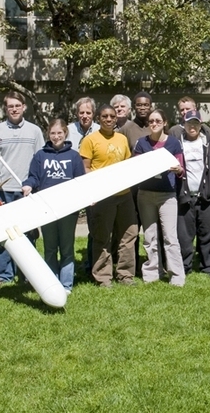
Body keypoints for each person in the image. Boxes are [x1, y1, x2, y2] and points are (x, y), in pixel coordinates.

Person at [22, 119, 86, 293]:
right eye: (53, 133)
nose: (56, 136)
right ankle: (52, 282)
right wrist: (28, 184)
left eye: (59, 133)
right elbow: (34, 177)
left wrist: (86, 198)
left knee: (66, 247)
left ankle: (66, 285)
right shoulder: (40, 156)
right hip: (46, 208)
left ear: (65, 133)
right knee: (50, 247)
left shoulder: (73, 156)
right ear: (48, 135)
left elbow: (81, 181)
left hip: (68, 208)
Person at [80, 104, 137, 287]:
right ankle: (103, 277)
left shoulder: (121, 139)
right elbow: (86, 168)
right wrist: (95, 189)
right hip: (103, 196)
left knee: (129, 235)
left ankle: (125, 275)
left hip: (124, 194)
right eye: (105, 116)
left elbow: (128, 164)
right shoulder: (90, 140)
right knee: (102, 237)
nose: (109, 119)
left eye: (112, 116)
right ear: (99, 118)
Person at [0, 91, 45, 285]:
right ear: (5, 109)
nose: (14, 109)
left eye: (17, 106)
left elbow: (40, 159)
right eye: (10, 106)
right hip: (3, 188)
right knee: (5, 234)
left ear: (24, 107)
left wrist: (34, 184)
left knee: (28, 233)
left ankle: (26, 275)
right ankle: (4, 275)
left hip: (26, 189)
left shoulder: (34, 131)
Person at [133, 109, 186, 286]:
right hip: (145, 194)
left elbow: (181, 168)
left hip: (167, 195)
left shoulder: (173, 143)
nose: (153, 124)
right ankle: (151, 274)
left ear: (164, 123)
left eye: (157, 121)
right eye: (151, 121)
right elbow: (135, 167)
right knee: (149, 237)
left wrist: (178, 170)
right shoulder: (141, 143)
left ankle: (177, 276)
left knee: (170, 237)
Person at [177, 110, 210, 275]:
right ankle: (184, 266)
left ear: (200, 125)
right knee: (184, 236)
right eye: (189, 123)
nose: (192, 126)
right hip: (185, 197)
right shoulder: (177, 144)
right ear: (183, 125)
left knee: (209, 233)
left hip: (209, 198)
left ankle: (209, 266)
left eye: (196, 123)